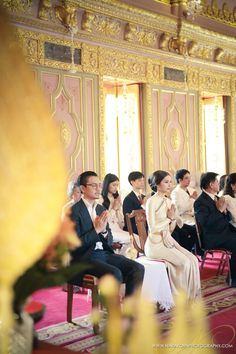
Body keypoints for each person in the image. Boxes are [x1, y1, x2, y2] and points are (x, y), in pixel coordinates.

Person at [69, 171, 145, 296]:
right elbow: (75, 246)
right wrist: (96, 230)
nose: (99, 188)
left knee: (137, 268)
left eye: (99, 185)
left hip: (103, 254)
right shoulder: (74, 211)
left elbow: (109, 240)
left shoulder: (101, 209)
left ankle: (129, 311)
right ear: (83, 188)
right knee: (115, 273)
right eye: (94, 185)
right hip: (84, 257)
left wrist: (103, 231)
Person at [144, 170, 201, 299]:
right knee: (184, 263)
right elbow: (153, 228)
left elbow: (170, 229)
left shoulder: (168, 201)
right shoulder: (151, 201)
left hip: (167, 239)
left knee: (192, 260)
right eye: (166, 182)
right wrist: (169, 218)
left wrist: (174, 219)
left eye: (170, 182)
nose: (170, 185)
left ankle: (192, 296)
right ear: (157, 184)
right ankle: (180, 298)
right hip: (154, 244)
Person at [194, 172, 236, 287]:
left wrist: (225, 212)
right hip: (213, 237)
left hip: (224, 233)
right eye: (217, 182)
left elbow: (225, 218)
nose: (219, 184)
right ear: (211, 184)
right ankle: (233, 280)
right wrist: (219, 211)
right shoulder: (200, 202)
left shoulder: (217, 198)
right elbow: (206, 223)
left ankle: (231, 275)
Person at [171, 169, 201, 254]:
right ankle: (187, 251)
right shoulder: (175, 192)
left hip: (192, 216)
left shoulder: (191, 190)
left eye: (189, 178)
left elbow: (195, 205)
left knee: (202, 226)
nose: (189, 180)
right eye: (186, 178)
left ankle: (199, 251)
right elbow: (179, 209)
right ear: (180, 180)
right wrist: (191, 199)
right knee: (196, 230)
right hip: (183, 219)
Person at [100, 173, 131, 254]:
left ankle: (124, 258)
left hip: (117, 228)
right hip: (108, 229)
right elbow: (105, 219)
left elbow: (120, 219)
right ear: (107, 184)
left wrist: (119, 208)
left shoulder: (116, 198)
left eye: (117, 185)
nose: (116, 187)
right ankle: (122, 259)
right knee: (130, 239)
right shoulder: (100, 199)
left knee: (136, 238)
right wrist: (114, 208)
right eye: (113, 185)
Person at [123, 171, 147, 235]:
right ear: (132, 182)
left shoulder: (144, 197)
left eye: (143, 180)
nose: (142, 182)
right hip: (134, 229)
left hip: (145, 226)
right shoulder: (128, 199)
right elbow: (129, 219)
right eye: (139, 180)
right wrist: (143, 205)